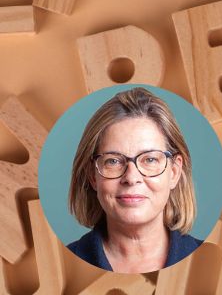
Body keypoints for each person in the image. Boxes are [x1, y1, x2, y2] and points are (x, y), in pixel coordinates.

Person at [66, 87, 202, 273]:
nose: (131, 178)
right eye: (113, 161)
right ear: (92, 175)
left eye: (150, 159)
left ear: (174, 172)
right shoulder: (57, 269)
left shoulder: (218, 265)